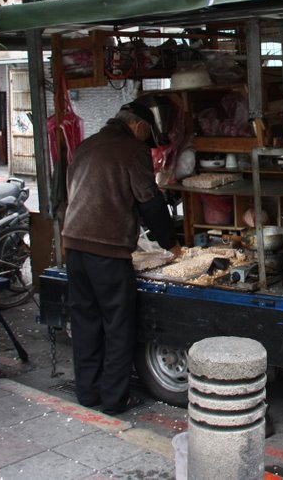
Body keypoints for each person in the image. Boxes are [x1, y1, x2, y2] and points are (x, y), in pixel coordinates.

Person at [61, 101, 182, 415]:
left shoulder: (86, 147)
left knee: (86, 322)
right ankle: (115, 400)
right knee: (118, 325)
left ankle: (88, 394)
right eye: (146, 136)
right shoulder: (132, 150)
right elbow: (150, 202)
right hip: (107, 250)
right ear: (139, 128)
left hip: (74, 246)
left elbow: (71, 193)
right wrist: (172, 244)